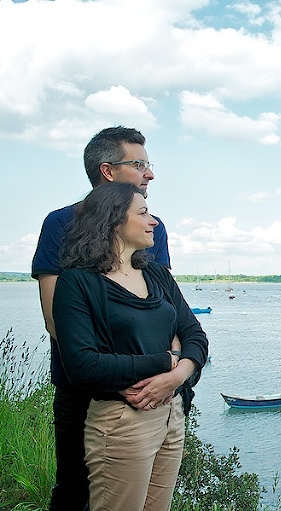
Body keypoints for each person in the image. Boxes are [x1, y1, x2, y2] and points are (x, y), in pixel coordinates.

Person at [31, 126, 171, 511]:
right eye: (139, 164)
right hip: (87, 391)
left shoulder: (152, 229)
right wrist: (117, 376)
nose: (150, 173)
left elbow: (168, 311)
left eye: (149, 164)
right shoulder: (61, 223)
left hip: (157, 394)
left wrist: (170, 379)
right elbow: (55, 318)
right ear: (108, 171)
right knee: (77, 492)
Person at [52, 182, 208, 511]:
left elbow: (195, 334)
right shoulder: (77, 282)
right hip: (122, 422)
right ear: (112, 220)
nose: (153, 221)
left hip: (172, 415)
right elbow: (82, 365)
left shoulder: (156, 274)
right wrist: (166, 362)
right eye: (143, 212)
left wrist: (177, 376)